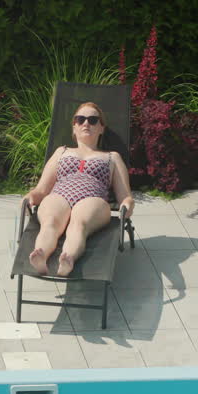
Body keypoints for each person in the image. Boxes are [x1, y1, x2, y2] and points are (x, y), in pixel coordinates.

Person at [25, 102, 135, 277]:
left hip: (92, 199)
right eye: (80, 119)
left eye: (93, 120)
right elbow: (41, 190)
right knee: (50, 222)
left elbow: (125, 196)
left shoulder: (112, 157)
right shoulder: (61, 152)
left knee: (79, 224)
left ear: (101, 128)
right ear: (74, 127)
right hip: (59, 196)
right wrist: (30, 197)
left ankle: (68, 259)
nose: (86, 123)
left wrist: (127, 205)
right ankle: (41, 256)